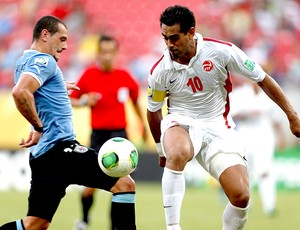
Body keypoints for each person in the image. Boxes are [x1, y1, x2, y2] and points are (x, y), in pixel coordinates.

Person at [146, 5, 300, 230]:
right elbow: (154, 110)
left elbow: (263, 79)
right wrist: (161, 149)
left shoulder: (222, 52)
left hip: (219, 127)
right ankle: (173, 227)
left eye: (174, 38)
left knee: (241, 197)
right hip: (181, 121)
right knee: (177, 153)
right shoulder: (161, 70)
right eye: (165, 38)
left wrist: (292, 115)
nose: (169, 44)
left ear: (191, 32)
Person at [0, 15, 137, 230]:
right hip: (61, 150)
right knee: (125, 184)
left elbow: (34, 95)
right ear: (45, 34)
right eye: (62, 39)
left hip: (43, 156)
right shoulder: (44, 61)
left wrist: (57, 88)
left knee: (36, 223)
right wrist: (37, 127)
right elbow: (20, 93)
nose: (66, 46)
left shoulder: (23, 62)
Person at [70, 34, 146, 230]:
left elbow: (135, 103)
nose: (107, 56)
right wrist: (85, 101)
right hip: (98, 136)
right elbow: (70, 100)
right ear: (98, 53)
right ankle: (84, 220)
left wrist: (142, 126)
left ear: (116, 53)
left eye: (111, 52)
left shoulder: (125, 77)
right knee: (90, 187)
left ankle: (115, 226)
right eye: (103, 52)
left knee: (122, 186)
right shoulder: (89, 75)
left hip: (120, 137)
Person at [230, 80, 286, 216]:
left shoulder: (270, 94)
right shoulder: (240, 94)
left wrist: (281, 137)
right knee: (244, 171)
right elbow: (232, 113)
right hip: (245, 135)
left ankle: (269, 206)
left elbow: (276, 119)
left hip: (265, 136)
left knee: (265, 170)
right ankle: (245, 205)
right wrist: (249, 113)